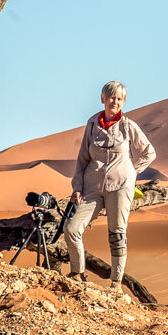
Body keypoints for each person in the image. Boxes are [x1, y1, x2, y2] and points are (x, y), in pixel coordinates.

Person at [64, 80, 156, 293]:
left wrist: (132, 172)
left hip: (121, 186)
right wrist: (77, 187)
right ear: (103, 98)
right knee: (71, 228)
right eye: (112, 97)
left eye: (120, 99)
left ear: (123, 102)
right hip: (92, 187)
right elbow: (82, 158)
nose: (115, 101)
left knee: (117, 233)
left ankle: (116, 282)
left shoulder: (128, 126)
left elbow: (149, 152)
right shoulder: (92, 124)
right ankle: (77, 273)